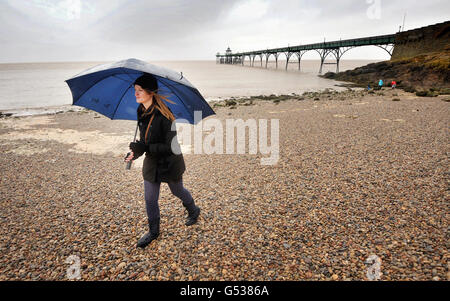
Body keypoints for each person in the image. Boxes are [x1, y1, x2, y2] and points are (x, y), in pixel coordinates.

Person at [124, 73, 200, 249]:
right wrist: (135, 152)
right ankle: (153, 231)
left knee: (177, 190)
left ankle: (193, 210)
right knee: (150, 199)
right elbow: (145, 141)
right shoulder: (141, 110)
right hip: (152, 163)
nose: (136, 94)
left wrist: (146, 147)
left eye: (140, 90)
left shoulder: (166, 115)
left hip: (170, 162)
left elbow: (170, 146)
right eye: (135, 90)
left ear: (151, 92)